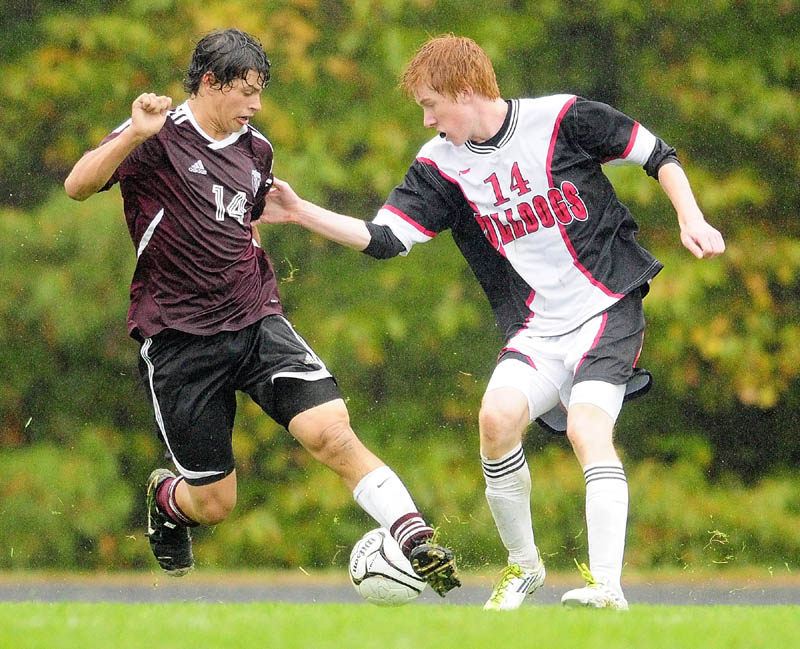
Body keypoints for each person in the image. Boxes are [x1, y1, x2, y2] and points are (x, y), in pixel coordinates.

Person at [260, 34, 725, 610]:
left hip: (607, 307)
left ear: (466, 91)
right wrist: (300, 211)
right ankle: (524, 568)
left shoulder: (561, 119)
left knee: (586, 428)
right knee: (496, 419)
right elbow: (384, 240)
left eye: (433, 104)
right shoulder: (441, 164)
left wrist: (691, 218)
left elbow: (658, 154)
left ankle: (607, 586)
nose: (428, 118)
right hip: (537, 325)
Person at [63, 28, 460, 597]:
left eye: (260, 91)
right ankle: (167, 501)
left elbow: (239, 227)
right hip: (179, 340)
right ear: (209, 83)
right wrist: (133, 134)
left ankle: (415, 536)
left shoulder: (257, 150)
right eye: (246, 91)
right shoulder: (156, 136)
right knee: (215, 502)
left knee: (332, 433)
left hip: (256, 321)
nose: (256, 104)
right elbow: (78, 186)